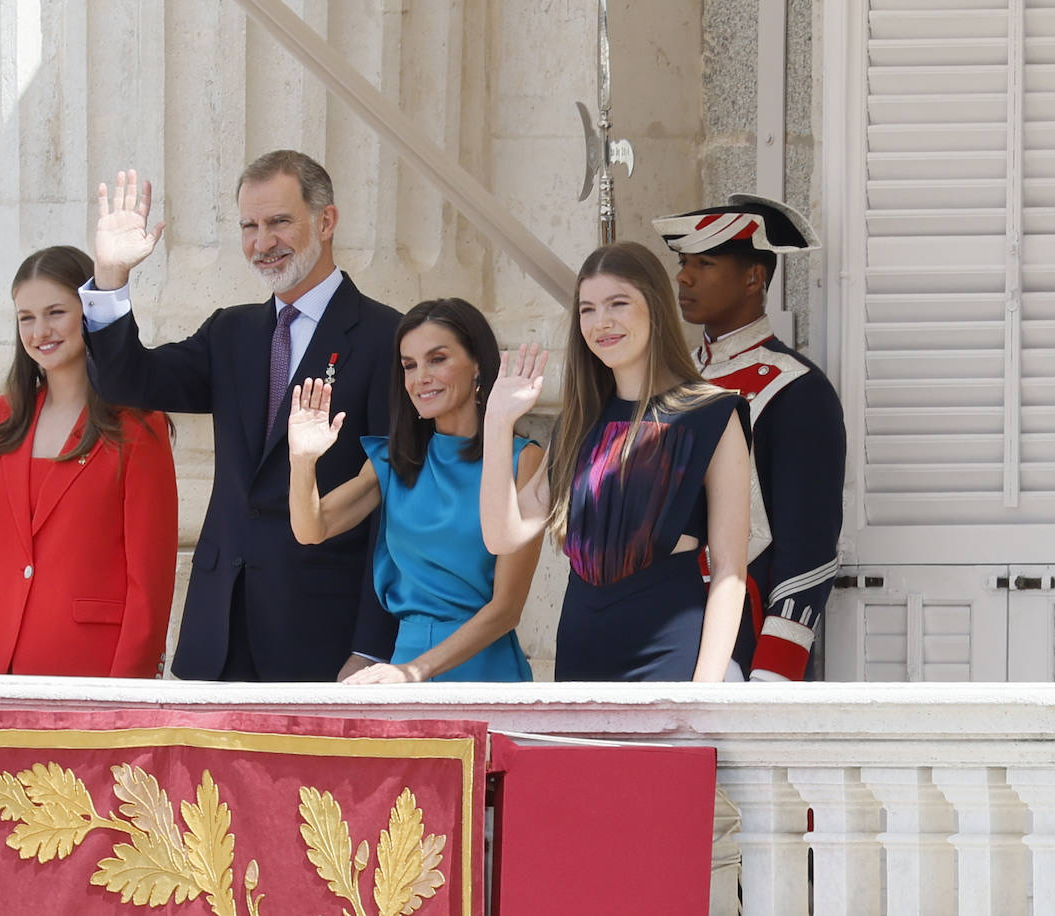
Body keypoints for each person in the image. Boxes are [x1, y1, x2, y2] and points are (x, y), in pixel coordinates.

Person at [80, 152, 401, 682]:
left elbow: (393, 503)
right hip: (219, 630)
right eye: (249, 226)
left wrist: (371, 645)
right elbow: (127, 380)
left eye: (278, 222)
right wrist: (111, 275)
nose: (261, 242)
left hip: (324, 634)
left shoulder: (384, 337)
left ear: (326, 222)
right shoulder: (231, 332)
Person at [0, 245, 177, 677]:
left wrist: (126, 699)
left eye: (55, 312)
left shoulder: (138, 427)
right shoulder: (0, 419)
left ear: (88, 313)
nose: (40, 330)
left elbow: (150, 586)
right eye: (26, 317)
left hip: (94, 674)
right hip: (0, 667)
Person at [480, 241, 751, 681]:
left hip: (669, 656)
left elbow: (729, 570)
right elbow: (502, 536)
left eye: (618, 303)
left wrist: (704, 693)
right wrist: (497, 423)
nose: (600, 322)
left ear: (655, 307)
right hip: (579, 652)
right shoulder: (579, 421)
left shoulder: (712, 414)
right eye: (587, 309)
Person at [288, 299, 544, 683]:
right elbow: (311, 529)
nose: (420, 377)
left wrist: (413, 671)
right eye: (409, 365)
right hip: (402, 669)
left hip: (482, 672)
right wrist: (303, 462)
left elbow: (506, 609)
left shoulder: (523, 460)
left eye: (437, 359)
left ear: (477, 363)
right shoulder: (394, 459)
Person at [654, 194, 845, 681]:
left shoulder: (797, 388)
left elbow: (809, 547)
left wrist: (774, 670)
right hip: (659, 626)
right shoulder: (672, 381)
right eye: (683, 263)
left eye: (705, 263)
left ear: (753, 278)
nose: (684, 277)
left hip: (744, 632)